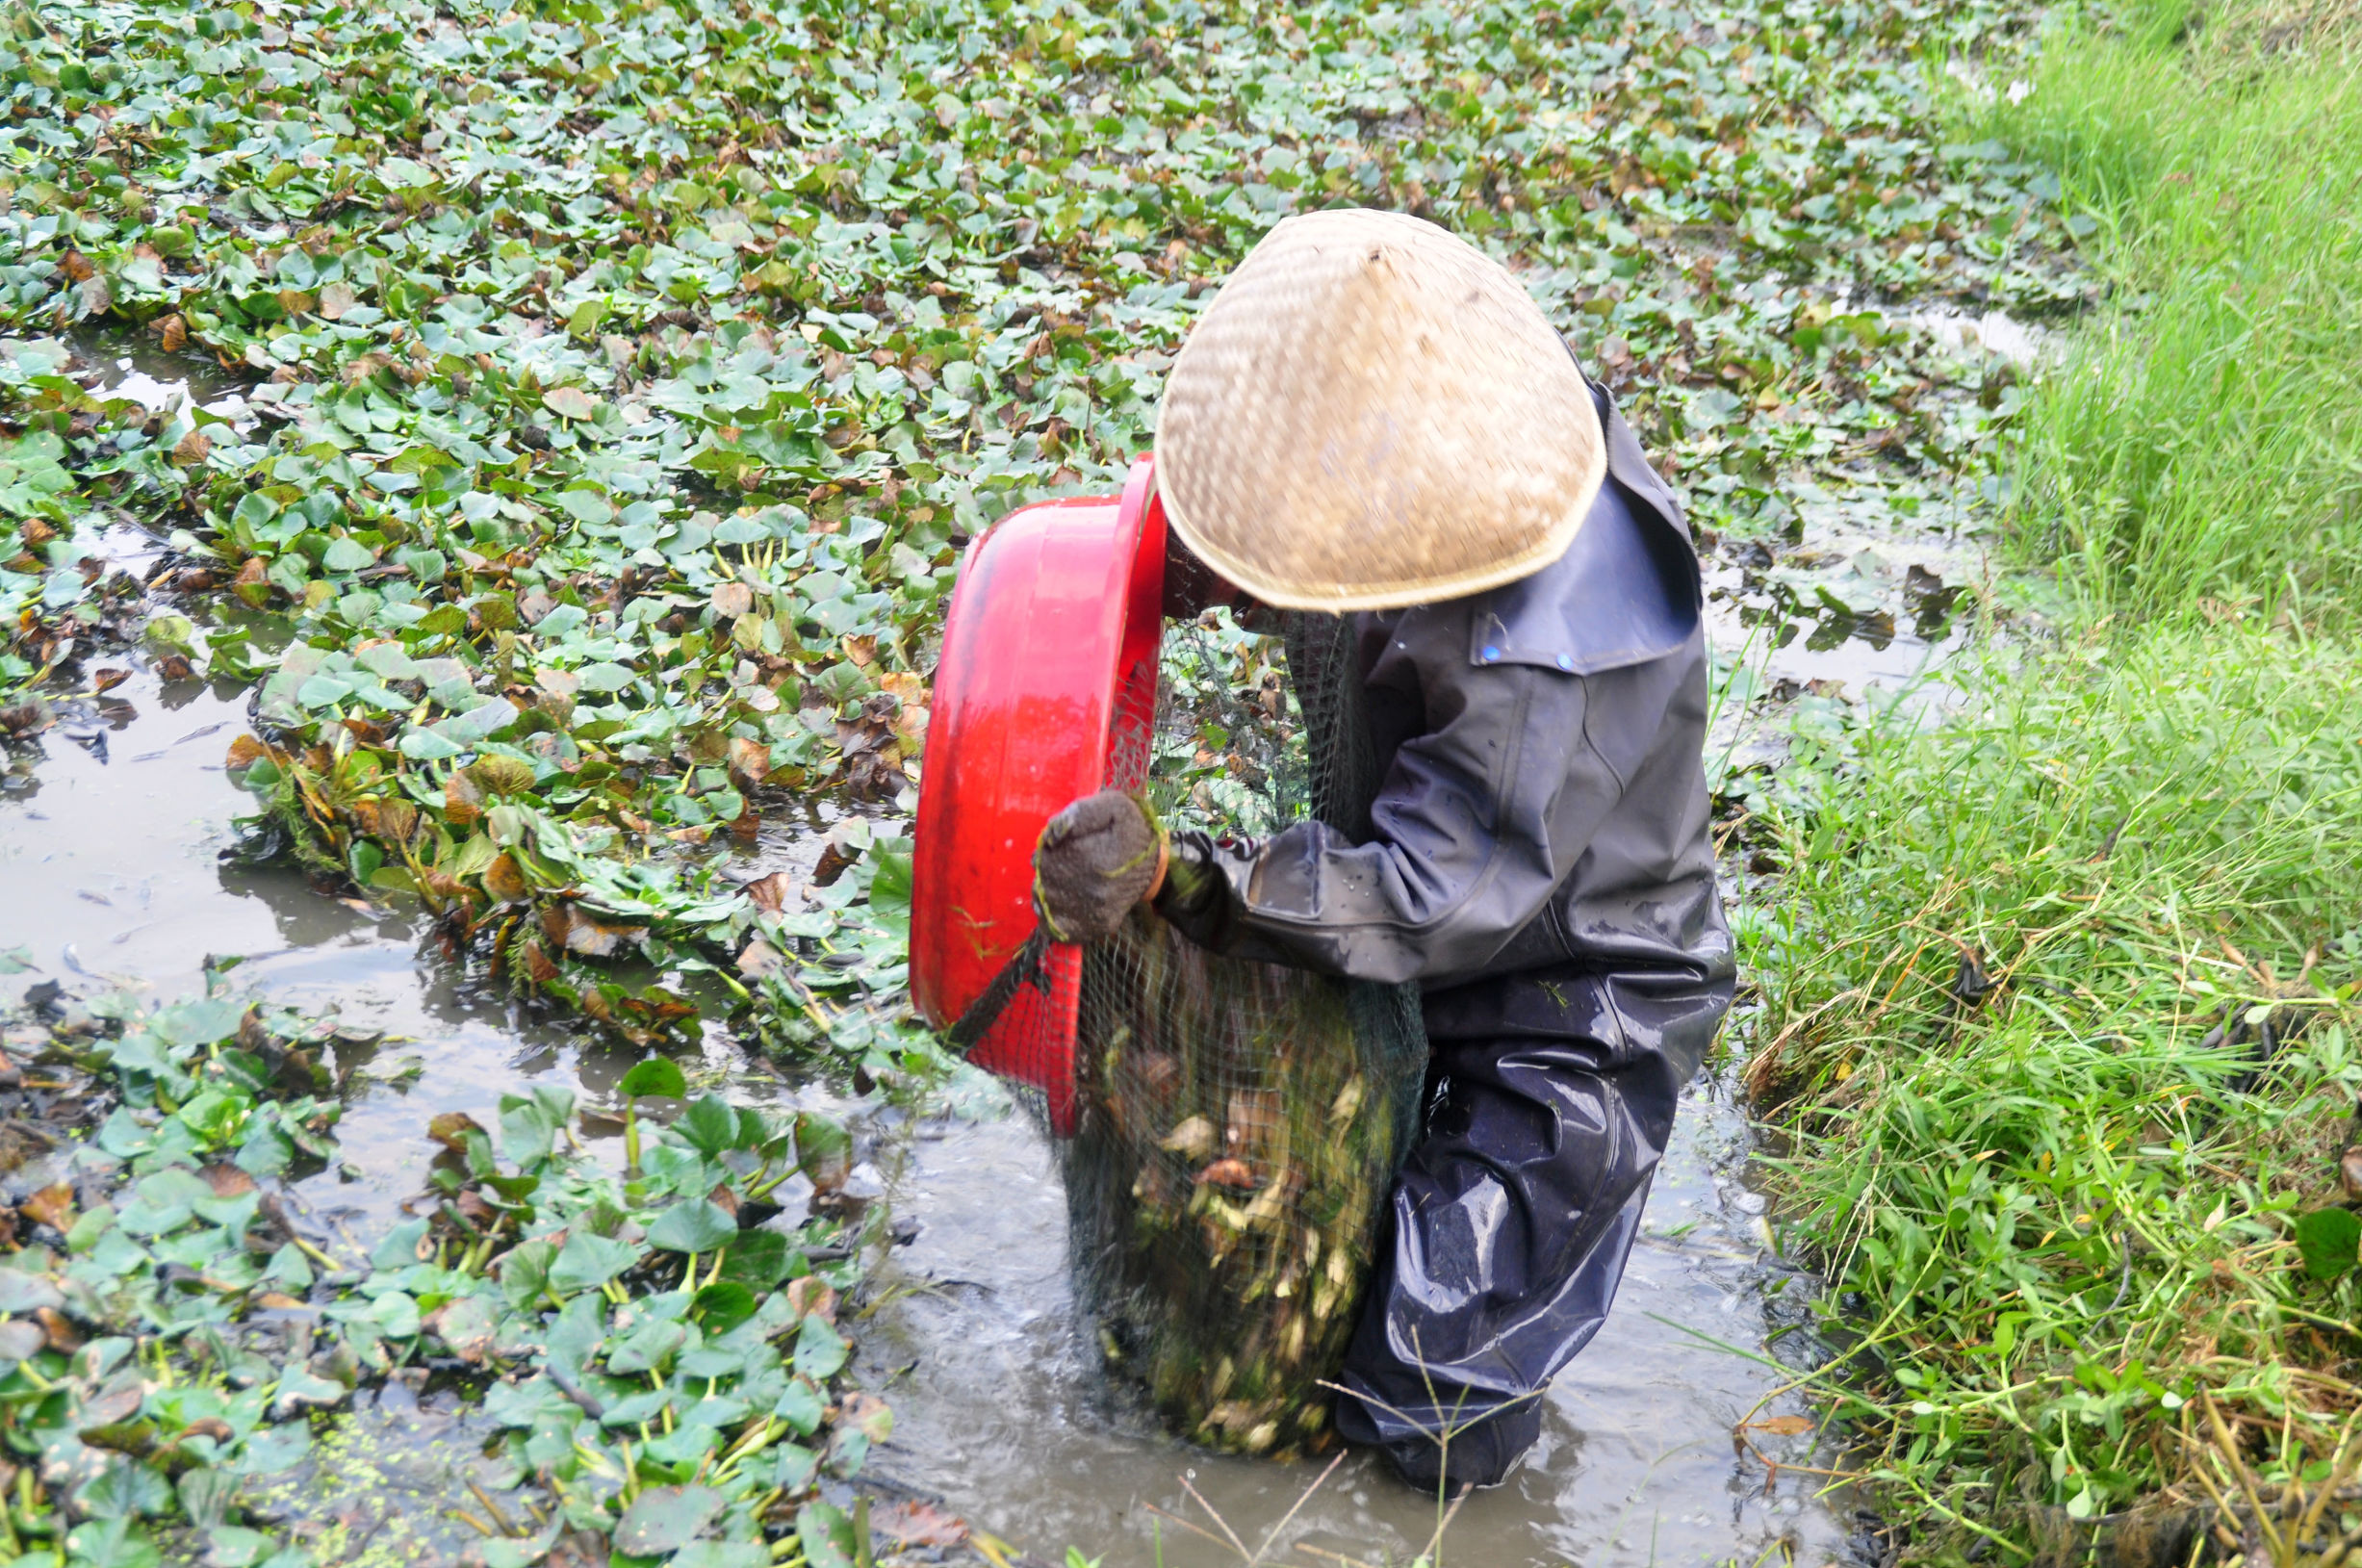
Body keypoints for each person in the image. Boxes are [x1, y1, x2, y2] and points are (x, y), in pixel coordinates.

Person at [1029, 209, 1734, 1492]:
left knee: (1429, 1390)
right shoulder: (1445, 431)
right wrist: (1211, 557)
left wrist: (1186, 879)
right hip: (1415, 942)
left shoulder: (1539, 649)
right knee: (1287, 1250)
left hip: (1571, 1002)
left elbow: (1425, 895)